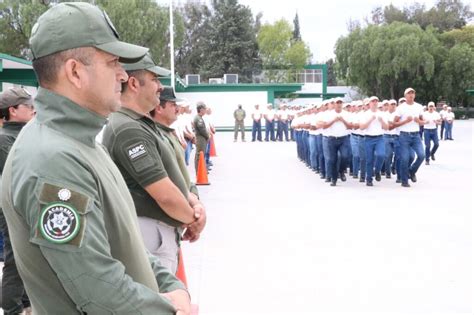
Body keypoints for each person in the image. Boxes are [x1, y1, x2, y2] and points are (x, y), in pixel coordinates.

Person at [1, 3, 190, 313]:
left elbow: (124, 242)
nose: (121, 74)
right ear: (75, 72)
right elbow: (97, 287)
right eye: (113, 62)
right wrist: (171, 309)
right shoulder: (52, 158)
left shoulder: (82, 141)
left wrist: (170, 285)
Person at [102, 54, 202, 274]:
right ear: (134, 83)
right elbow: (164, 194)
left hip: (157, 230)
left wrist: (194, 203)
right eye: (155, 79)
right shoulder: (129, 128)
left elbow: (174, 179)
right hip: (150, 232)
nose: (160, 86)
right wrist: (193, 219)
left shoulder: (139, 123)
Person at [149, 87, 206, 244]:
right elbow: (166, 185)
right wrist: (193, 219)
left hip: (181, 211)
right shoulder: (154, 136)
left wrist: (196, 200)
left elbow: (182, 175)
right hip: (168, 220)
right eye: (172, 104)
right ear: (159, 108)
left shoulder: (167, 133)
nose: (177, 108)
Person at [0, 87, 35, 315]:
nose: (33, 110)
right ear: (13, 110)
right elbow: (11, 177)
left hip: (26, 204)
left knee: (28, 256)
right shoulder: (5, 139)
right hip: (11, 206)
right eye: (28, 106)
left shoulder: (25, 136)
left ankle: (24, 303)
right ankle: (12, 308)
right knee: (15, 258)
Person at [394, 87, 426, 187]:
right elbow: (395, 122)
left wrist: (419, 121)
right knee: (405, 158)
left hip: (416, 135)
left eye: (412, 93)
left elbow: (423, 122)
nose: (411, 95)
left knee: (421, 155)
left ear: (414, 95)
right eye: (409, 93)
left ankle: (412, 171)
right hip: (404, 135)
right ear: (405, 95)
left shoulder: (419, 107)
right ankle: (404, 181)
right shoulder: (400, 108)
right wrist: (405, 121)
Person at [320, 98, 351, 186]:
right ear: (334, 104)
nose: (339, 104)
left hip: (343, 138)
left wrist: (343, 120)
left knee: (345, 156)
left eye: (340, 102)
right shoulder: (328, 114)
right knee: (332, 160)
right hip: (331, 139)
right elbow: (324, 126)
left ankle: (341, 171)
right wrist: (334, 120)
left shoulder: (347, 114)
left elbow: (350, 126)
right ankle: (334, 179)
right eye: (337, 103)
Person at [359, 97, 388, 186]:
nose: (375, 103)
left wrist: (381, 120)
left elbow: (386, 127)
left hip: (379, 138)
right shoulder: (365, 114)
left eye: (376, 101)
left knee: (381, 155)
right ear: (369, 103)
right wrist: (371, 119)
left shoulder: (382, 114)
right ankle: (369, 179)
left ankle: (377, 171)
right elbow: (362, 127)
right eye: (373, 101)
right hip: (368, 138)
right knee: (369, 160)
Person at [194, 102, 210, 173]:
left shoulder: (199, 118)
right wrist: (208, 136)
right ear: (200, 109)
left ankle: (201, 170)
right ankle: (199, 171)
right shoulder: (198, 118)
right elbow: (202, 130)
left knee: (201, 155)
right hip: (201, 139)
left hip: (202, 138)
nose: (205, 111)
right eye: (204, 109)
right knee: (199, 155)